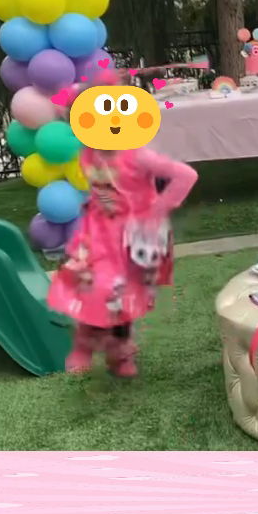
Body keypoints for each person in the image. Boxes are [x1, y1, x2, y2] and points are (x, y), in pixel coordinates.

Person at [47, 86, 198, 378]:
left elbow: (186, 175)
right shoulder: (88, 153)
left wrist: (156, 211)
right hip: (97, 235)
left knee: (121, 296)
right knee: (90, 287)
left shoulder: (137, 155)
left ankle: (120, 352)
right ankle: (84, 345)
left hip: (131, 238)